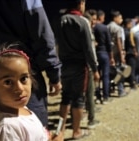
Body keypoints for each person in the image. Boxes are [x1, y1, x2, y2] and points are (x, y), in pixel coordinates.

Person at [0, 1, 62, 140]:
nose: (19, 88)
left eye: (24, 80)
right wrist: (54, 73)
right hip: (21, 65)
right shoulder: (7, 125)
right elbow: (41, 31)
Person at [0, 42, 63, 141]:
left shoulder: (21, 109)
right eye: (8, 82)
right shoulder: (8, 128)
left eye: (23, 78)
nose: (19, 88)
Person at [54, 0, 100, 139]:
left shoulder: (59, 20)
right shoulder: (82, 21)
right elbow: (88, 48)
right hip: (79, 65)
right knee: (78, 98)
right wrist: (95, 68)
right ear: (80, 4)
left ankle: (59, 131)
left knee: (65, 97)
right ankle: (76, 131)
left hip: (63, 64)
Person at [93, 10, 115, 104]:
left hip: (95, 54)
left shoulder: (92, 27)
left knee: (96, 76)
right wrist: (111, 56)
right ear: (101, 17)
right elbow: (109, 44)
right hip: (104, 52)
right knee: (105, 75)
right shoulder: (104, 28)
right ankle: (105, 96)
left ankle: (98, 96)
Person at [107, 10, 128, 97]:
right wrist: (122, 54)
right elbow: (119, 42)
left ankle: (108, 90)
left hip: (108, 52)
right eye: (120, 18)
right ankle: (120, 90)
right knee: (120, 72)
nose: (121, 20)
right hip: (116, 53)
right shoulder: (118, 28)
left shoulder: (107, 27)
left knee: (109, 72)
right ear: (115, 18)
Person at [123, 18, 138, 90]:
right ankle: (132, 83)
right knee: (132, 69)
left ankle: (126, 82)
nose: (132, 25)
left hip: (125, 52)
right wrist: (135, 51)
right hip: (130, 52)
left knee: (127, 69)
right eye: (131, 24)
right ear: (128, 24)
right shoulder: (129, 33)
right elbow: (132, 43)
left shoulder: (123, 31)